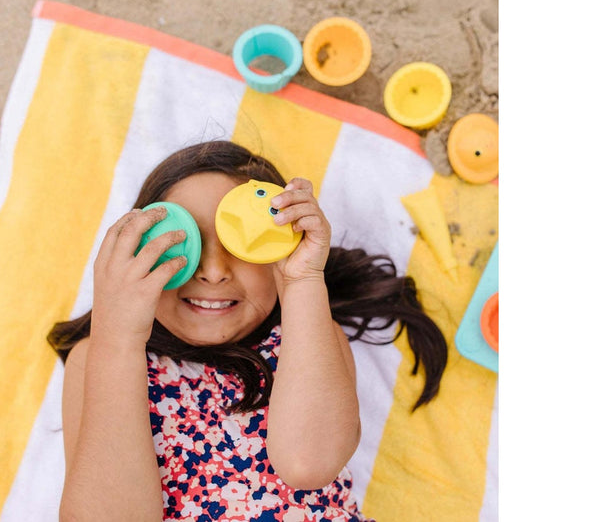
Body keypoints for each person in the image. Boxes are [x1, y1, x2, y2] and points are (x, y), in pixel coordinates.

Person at [48, 140, 447, 521]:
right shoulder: (104, 355)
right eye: (185, 245)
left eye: (240, 244)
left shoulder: (305, 339)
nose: (214, 271)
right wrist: (118, 336)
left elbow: (310, 462)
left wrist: (303, 281)